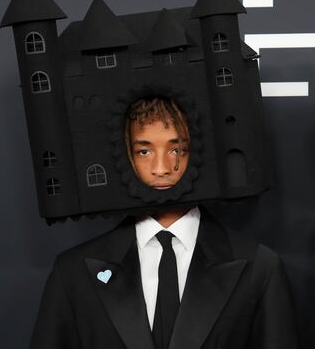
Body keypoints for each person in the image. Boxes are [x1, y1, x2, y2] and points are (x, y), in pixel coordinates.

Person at [31, 97, 298, 349]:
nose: (162, 168)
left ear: (200, 154)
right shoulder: (73, 273)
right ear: (126, 157)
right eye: (144, 151)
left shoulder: (260, 269)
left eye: (177, 149)